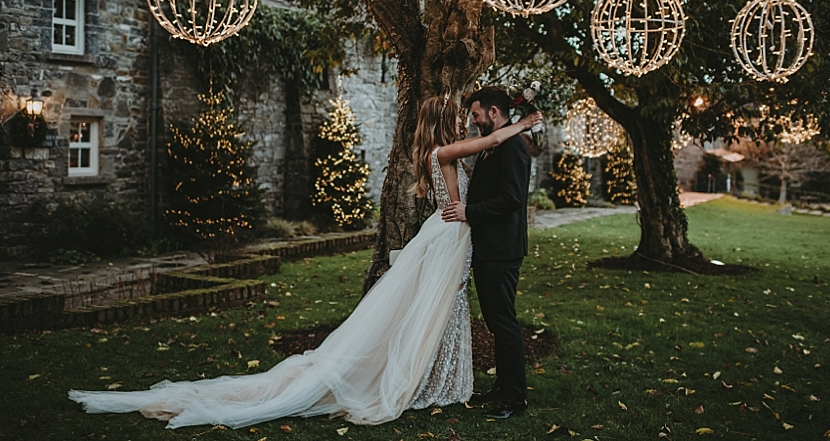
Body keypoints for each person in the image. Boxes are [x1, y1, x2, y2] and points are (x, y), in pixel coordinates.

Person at [69, 95, 541, 429]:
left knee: (442, 310)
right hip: (447, 235)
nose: (470, 122)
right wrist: (519, 122)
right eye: (463, 117)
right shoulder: (446, 150)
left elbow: (492, 155)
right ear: (445, 124)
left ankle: (448, 382)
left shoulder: (448, 150)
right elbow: (483, 146)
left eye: (475, 116)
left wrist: (517, 121)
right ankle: (428, 381)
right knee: (431, 310)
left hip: (454, 235)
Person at [441, 86, 532, 419]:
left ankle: (515, 399)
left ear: (494, 112)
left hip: (502, 249)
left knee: (503, 322)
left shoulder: (512, 148)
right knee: (497, 322)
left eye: (477, 115)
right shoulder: (495, 145)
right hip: (490, 247)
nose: (474, 121)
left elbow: (512, 199)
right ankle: (504, 386)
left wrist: (470, 212)